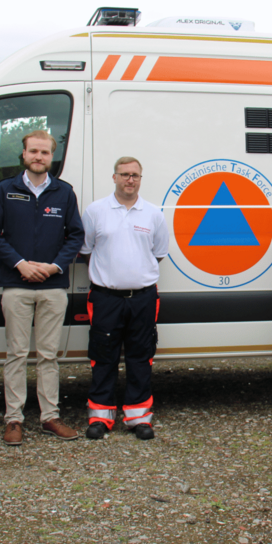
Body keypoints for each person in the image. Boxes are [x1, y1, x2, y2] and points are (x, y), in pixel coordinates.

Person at [0, 130, 85, 446]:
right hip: (16, 284)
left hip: (54, 286)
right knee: (15, 354)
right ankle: (14, 420)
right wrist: (20, 264)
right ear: (23, 155)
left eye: (45, 152)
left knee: (48, 355)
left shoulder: (64, 193)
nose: (39, 157)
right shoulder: (5, 190)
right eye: (34, 152)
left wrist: (55, 266)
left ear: (51, 157)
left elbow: (75, 236)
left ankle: (50, 417)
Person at [81, 157, 168, 440]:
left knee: (141, 357)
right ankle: (100, 416)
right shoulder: (95, 211)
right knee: (102, 357)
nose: (130, 180)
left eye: (135, 175)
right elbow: (85, 250)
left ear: (141, 179)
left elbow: (157, 254)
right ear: (114, 177)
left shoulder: (153, 214)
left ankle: (138, 417)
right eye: (125, 175)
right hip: (106, 297)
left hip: (143, 298)